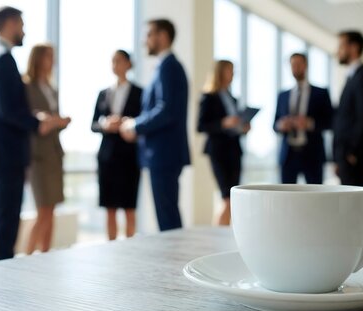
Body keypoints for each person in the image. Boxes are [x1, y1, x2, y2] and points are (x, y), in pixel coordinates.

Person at [0, 6, 69, 263]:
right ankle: (0, 279)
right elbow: (10, 110)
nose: (23, 30)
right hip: (8, 154)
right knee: (6, 221)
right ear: (11, 23)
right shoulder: (4, 60)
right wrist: (37, 123)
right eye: (21, 24)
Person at [120, 19, 190, 231]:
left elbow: (166, 110)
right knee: (166, 214)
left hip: (164, 153)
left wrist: (135, 126)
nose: (144, 41)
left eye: (148, 34)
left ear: (163, 36)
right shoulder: (164, 67)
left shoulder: (169, 67)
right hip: (162, 153)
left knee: (167, 217)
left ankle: (175, 262)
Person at [23, 44, 70, 254]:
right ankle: (27, 255)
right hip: (37, 156)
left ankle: (45, 254)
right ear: (38, 58)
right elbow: (32, 122)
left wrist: (59, 122)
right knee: (42, 211)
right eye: (48, 56)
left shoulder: (52, 89)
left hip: (54, 154)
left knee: (51, 211)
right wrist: (51, 121)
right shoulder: (26, 86)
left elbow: (49, 123)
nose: (52, 60)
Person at [91, 50, 143, 240]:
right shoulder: (103, 93)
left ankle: (129, 245)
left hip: (129, 155)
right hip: (107, 156)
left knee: (129, 205)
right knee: (109, 206)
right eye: (112, 61)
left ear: (128, 64)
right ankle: (110, 245)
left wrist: (128, 123)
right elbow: (93, 124)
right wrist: (106, 125)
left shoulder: (140, 93)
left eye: (119, 61)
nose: (115, 65)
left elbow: (143, 122)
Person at [197, 60, 249, 226]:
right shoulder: (208, 97)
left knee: (232, 198)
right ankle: (218, 234)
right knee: (227, 197)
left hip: (234, 150)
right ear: (220, 72)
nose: (233, 74)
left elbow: (235, 126)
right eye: (230, 71)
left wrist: (242, 127)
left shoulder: (232, 98)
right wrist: (223, 123)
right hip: (218, 151)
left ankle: (226, 234)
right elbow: (200, 126)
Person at [274, 53, 333, 185]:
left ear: (306, 65)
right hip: (288, 155)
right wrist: (281, 125)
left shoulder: (321, 93)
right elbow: (275, 124)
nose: (295, 67)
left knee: (315, 197)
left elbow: (331, 122)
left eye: (298, 64)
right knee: (286, 197)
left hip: (313, 154)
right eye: (292, 65)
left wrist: (309, 123)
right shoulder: (283, 95)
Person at [333, 30, 363, 187]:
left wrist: (353, 152)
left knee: (354, 205)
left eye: (341, 46)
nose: (337, 51)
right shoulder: (352, 77)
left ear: (353, 47)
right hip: (346, 155)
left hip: (354, 157)